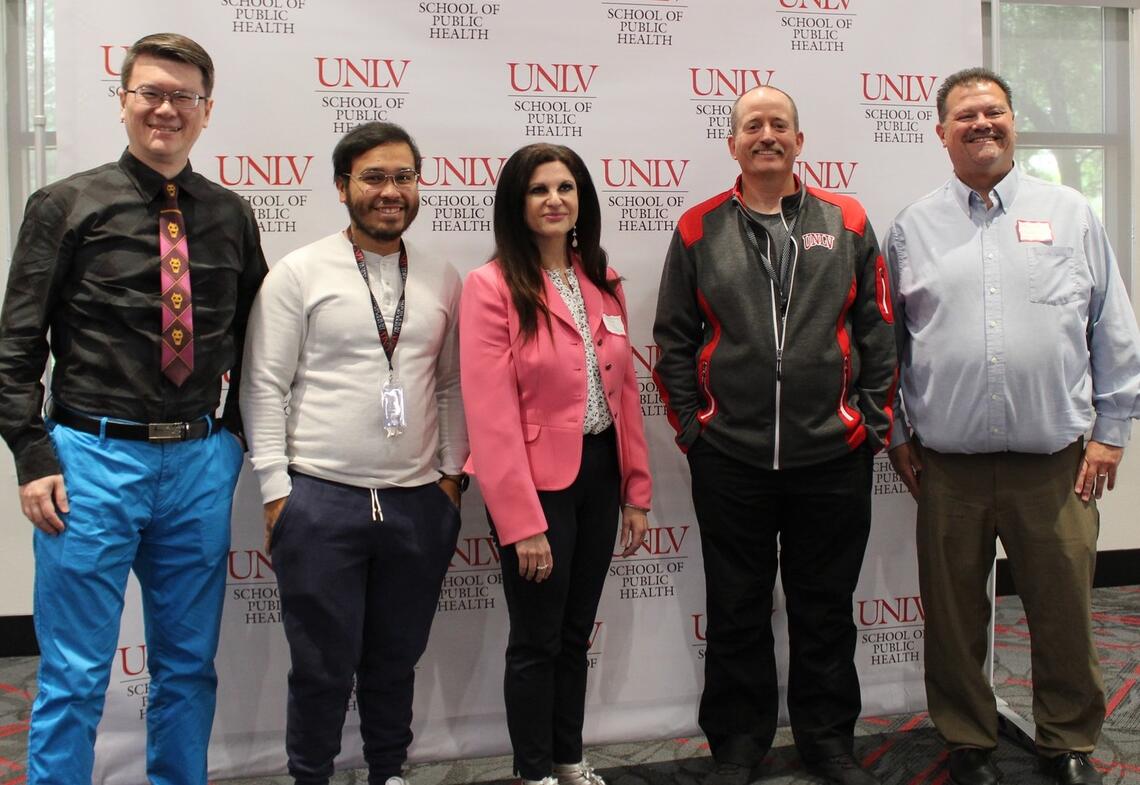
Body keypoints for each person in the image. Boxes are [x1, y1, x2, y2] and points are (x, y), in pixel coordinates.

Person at [0, 32, 266, 785]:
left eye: (183, 96)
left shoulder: (230, 214)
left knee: (188, 669)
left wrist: (232, 442)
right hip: (90, 461)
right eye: (149, 91)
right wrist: (32, 452)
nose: (165, 108)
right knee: (76, 672)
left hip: (196, 463)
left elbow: (256, 338)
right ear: (122, 100)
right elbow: (17, 344)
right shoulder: (63, 205)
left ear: (206, 112)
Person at [885, 67, 1140, 785]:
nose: (981, 125)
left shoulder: (1071, 213)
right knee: (955, 618)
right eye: (964, 116)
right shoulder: (913, 227)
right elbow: (889, 347)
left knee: (1063, 613)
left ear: (1013, 123)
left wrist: (1112, 430)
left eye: (993, 112)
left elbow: (1112, 330)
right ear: (941, 133)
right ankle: (968, 740)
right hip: (949, 468)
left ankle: (1067, 739)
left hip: (1055, 465)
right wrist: (898, 435)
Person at [653, 85, 897, 785]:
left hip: (833, 455)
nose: (767, 134)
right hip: (730, 456)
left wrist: (871, 423)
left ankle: (826, 739)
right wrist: (693, 429)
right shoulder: (699, 228)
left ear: (799, 139)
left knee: (825, 608)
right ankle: (737, 744)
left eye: (779, 124)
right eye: (752, 125)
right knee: (735, 607)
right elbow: (672, 337)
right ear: (732, 143)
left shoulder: (845, 219)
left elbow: (879, 331)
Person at [240, 121, 468, 785]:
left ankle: (387, 770)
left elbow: (451, 387)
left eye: (402, 176)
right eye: (373, 177)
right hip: (321, 500)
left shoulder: (440, 275)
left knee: (395, 657)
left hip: (418, 502)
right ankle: (310, 773)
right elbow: (263, 387)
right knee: (321, 664)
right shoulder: (299, 273)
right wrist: (278, 492)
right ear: (343, 187)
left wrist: (451, 481)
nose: (390, 191)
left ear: (418, 185)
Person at [459, 143, 652, 785]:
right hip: (536, 488)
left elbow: (625, 396)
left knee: (575, 633)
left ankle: (569, 760)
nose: (554, 200)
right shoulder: (491, 287)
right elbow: (490, 418)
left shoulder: (603, 280)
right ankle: (534, 772)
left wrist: (636, 491)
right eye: (539, 189)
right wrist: (522, 523)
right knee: (536, 640)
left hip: (599, 474)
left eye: (565, 188)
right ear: (517, 204)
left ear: (582, 200)